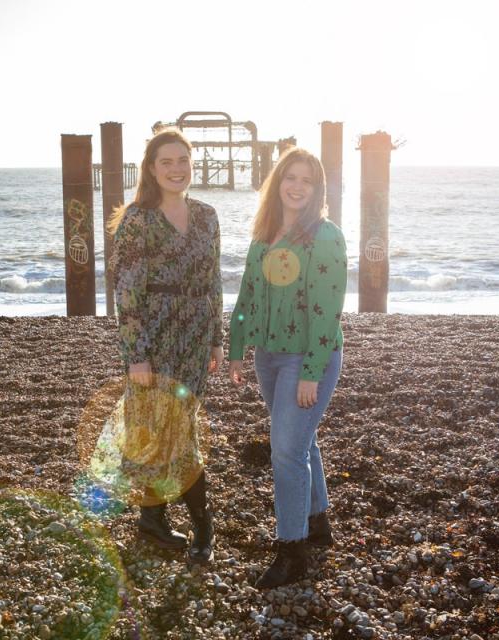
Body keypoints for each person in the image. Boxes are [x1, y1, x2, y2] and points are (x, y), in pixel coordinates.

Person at [228, 148, 347, 588]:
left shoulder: (325, 236)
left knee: (286, 451)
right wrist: (238, 346)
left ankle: (290, 551)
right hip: (269, 356)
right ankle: (317, 523)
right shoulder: (264, 235)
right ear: (277, 183)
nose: (296, 187)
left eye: (307, 181)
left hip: (308, 357)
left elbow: (329, 309)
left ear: (317, 190)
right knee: (301, 441)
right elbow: (246, 295)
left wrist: (313, 371)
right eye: (289, 178)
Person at [108, 127, 223, 565]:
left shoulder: (208, 216)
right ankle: (172, 524)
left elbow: (213, 281)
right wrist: (135, 355)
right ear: (152, 170)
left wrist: (216, 337)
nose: (177, 169)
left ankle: (184, 523)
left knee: (182, 429)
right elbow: (127, 293)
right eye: (166, 162)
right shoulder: (138, 219)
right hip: (153, 338)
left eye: (183, 161)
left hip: (194, 337)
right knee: (154, 430)